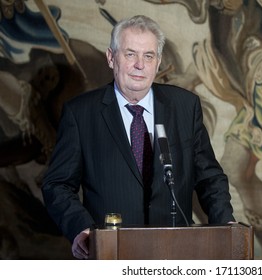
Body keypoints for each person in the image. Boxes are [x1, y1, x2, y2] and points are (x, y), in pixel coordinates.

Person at [41, 15, 235, 259]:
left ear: (159, 62)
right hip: (110, 254)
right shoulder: (80, 114)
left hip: (175, 254)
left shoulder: (185, 107)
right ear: (111, 58)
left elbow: (210, 177)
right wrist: (83, 230)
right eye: (130, 54)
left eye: (148, 56)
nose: (140, 65)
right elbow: (57, 185)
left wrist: (226, 226)